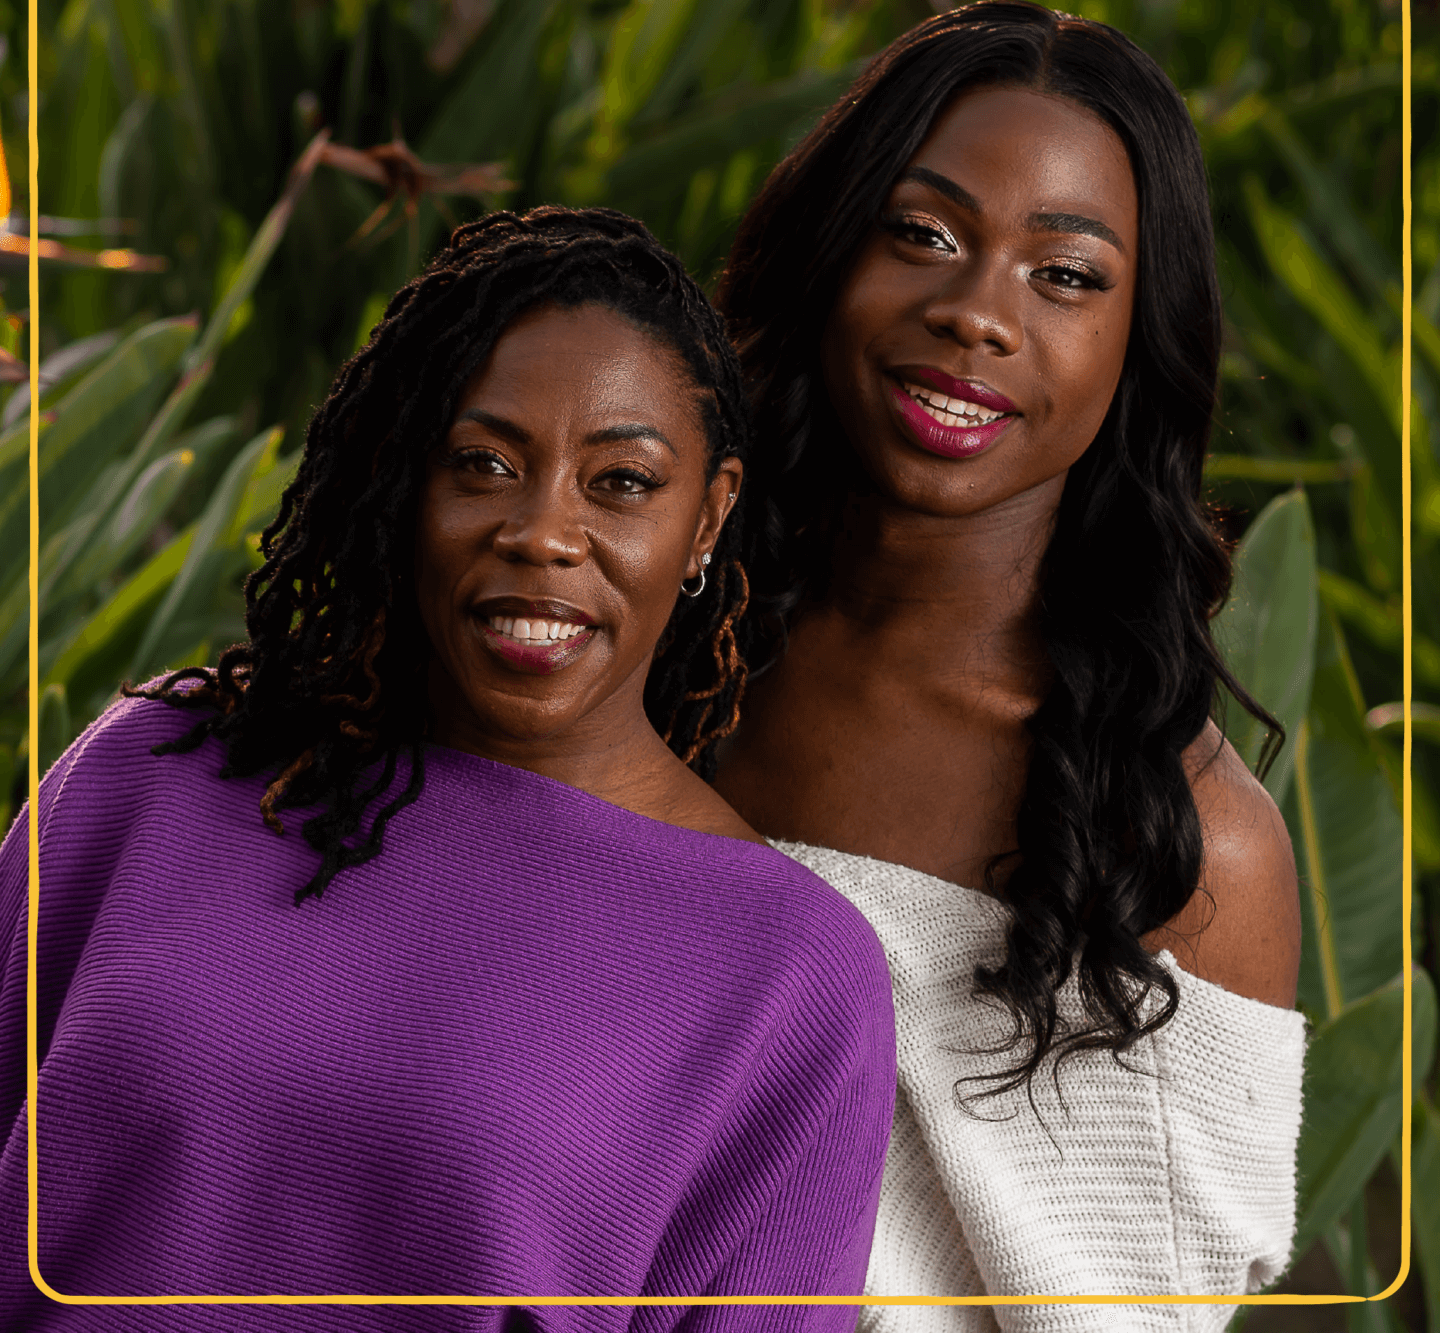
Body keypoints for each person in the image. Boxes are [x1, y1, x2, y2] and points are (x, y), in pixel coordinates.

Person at [0, 207, 896, 1328]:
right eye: (483, 464)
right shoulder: (156, 778)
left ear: (708, 513)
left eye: (620, 482)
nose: (541, 532)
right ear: (405, 482)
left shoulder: (787, 972)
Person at [712, 2, 1306, 1330]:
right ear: (830, 253)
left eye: (1068, 274)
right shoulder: (644, 650)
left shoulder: (1177, 840)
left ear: (1136, 340)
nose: (977, 313)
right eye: (922, 235)